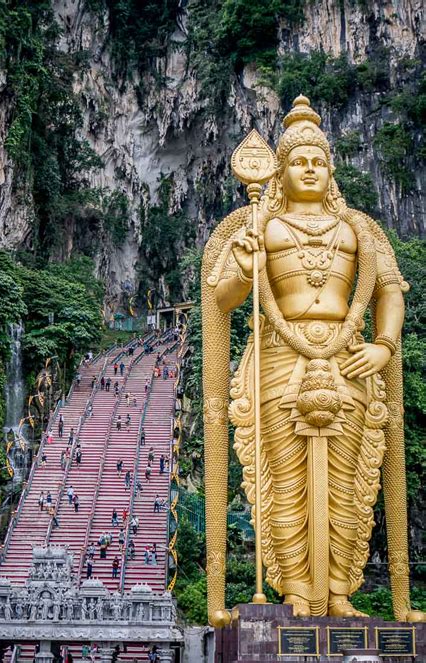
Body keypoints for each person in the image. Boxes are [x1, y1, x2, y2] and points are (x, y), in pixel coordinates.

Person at [202, 95, 414, 622]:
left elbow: (390, 291)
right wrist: (247, 267)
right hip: (279, 357)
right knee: (285, 481)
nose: (310, 169)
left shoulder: (359, 229)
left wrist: (382, 345)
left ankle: (339, 593)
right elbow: (221, 298)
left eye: (319, 160)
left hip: (348, 359)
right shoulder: (259, 225)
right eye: (299, 160)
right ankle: (296, 593)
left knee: (349, 484)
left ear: (332, 168)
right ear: (281, 169)